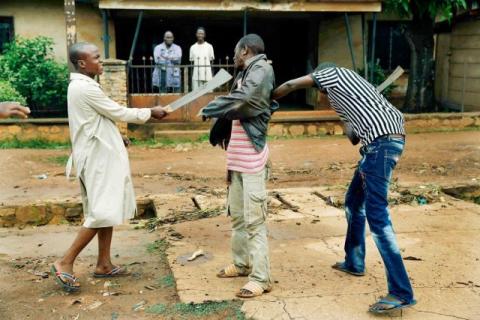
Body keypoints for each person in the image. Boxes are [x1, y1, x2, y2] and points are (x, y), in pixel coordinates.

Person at [272, 63, 416, 314]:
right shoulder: (350, 96)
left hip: (381, 144)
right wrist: (347, 115)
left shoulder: (333, 72)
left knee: (378, 217)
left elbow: (291, 85)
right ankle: (355, 260)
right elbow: (353, 138)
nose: (321, 94)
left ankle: (401, 291)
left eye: (320, 88)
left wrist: (267, 98)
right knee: (353, 202)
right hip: (379, 143)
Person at [51, 42, 167, 292]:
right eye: (96, 58)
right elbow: (118, 112)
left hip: (97, 155)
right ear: (82, 63)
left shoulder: (85, 86)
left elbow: (98, 118)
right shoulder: (84, 88)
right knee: (102, 212)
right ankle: (65, 261)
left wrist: (117, 135)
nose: (101, 62)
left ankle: (103, 264)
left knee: (105, 208)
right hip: (97, 159)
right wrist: (150, 111)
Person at [201, 34, 278, 298]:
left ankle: (261, 278)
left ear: (245, 50)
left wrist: (211, 107)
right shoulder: (244, 74)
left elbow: (245, 101)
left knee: (255, 221)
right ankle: (243, 264)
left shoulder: (262, 69)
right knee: (237, 218)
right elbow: (235, 115)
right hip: (237, 162)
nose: (233, 58)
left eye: (235, 53)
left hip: (253, 162)